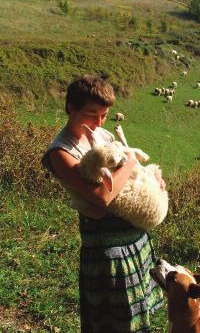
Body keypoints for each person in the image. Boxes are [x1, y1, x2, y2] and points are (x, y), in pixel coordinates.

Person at [42, 75, 165, 333]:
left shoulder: (103, 134)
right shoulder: (61, 153)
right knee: (114, 323)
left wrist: (152, 180)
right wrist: (131, 161)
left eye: (105, 115)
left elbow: (127, 177)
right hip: (108, 250)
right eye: (92, 114)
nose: (99, 123)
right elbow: (102, 198)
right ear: (71, 108)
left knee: (138, 319)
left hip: (134, 238)